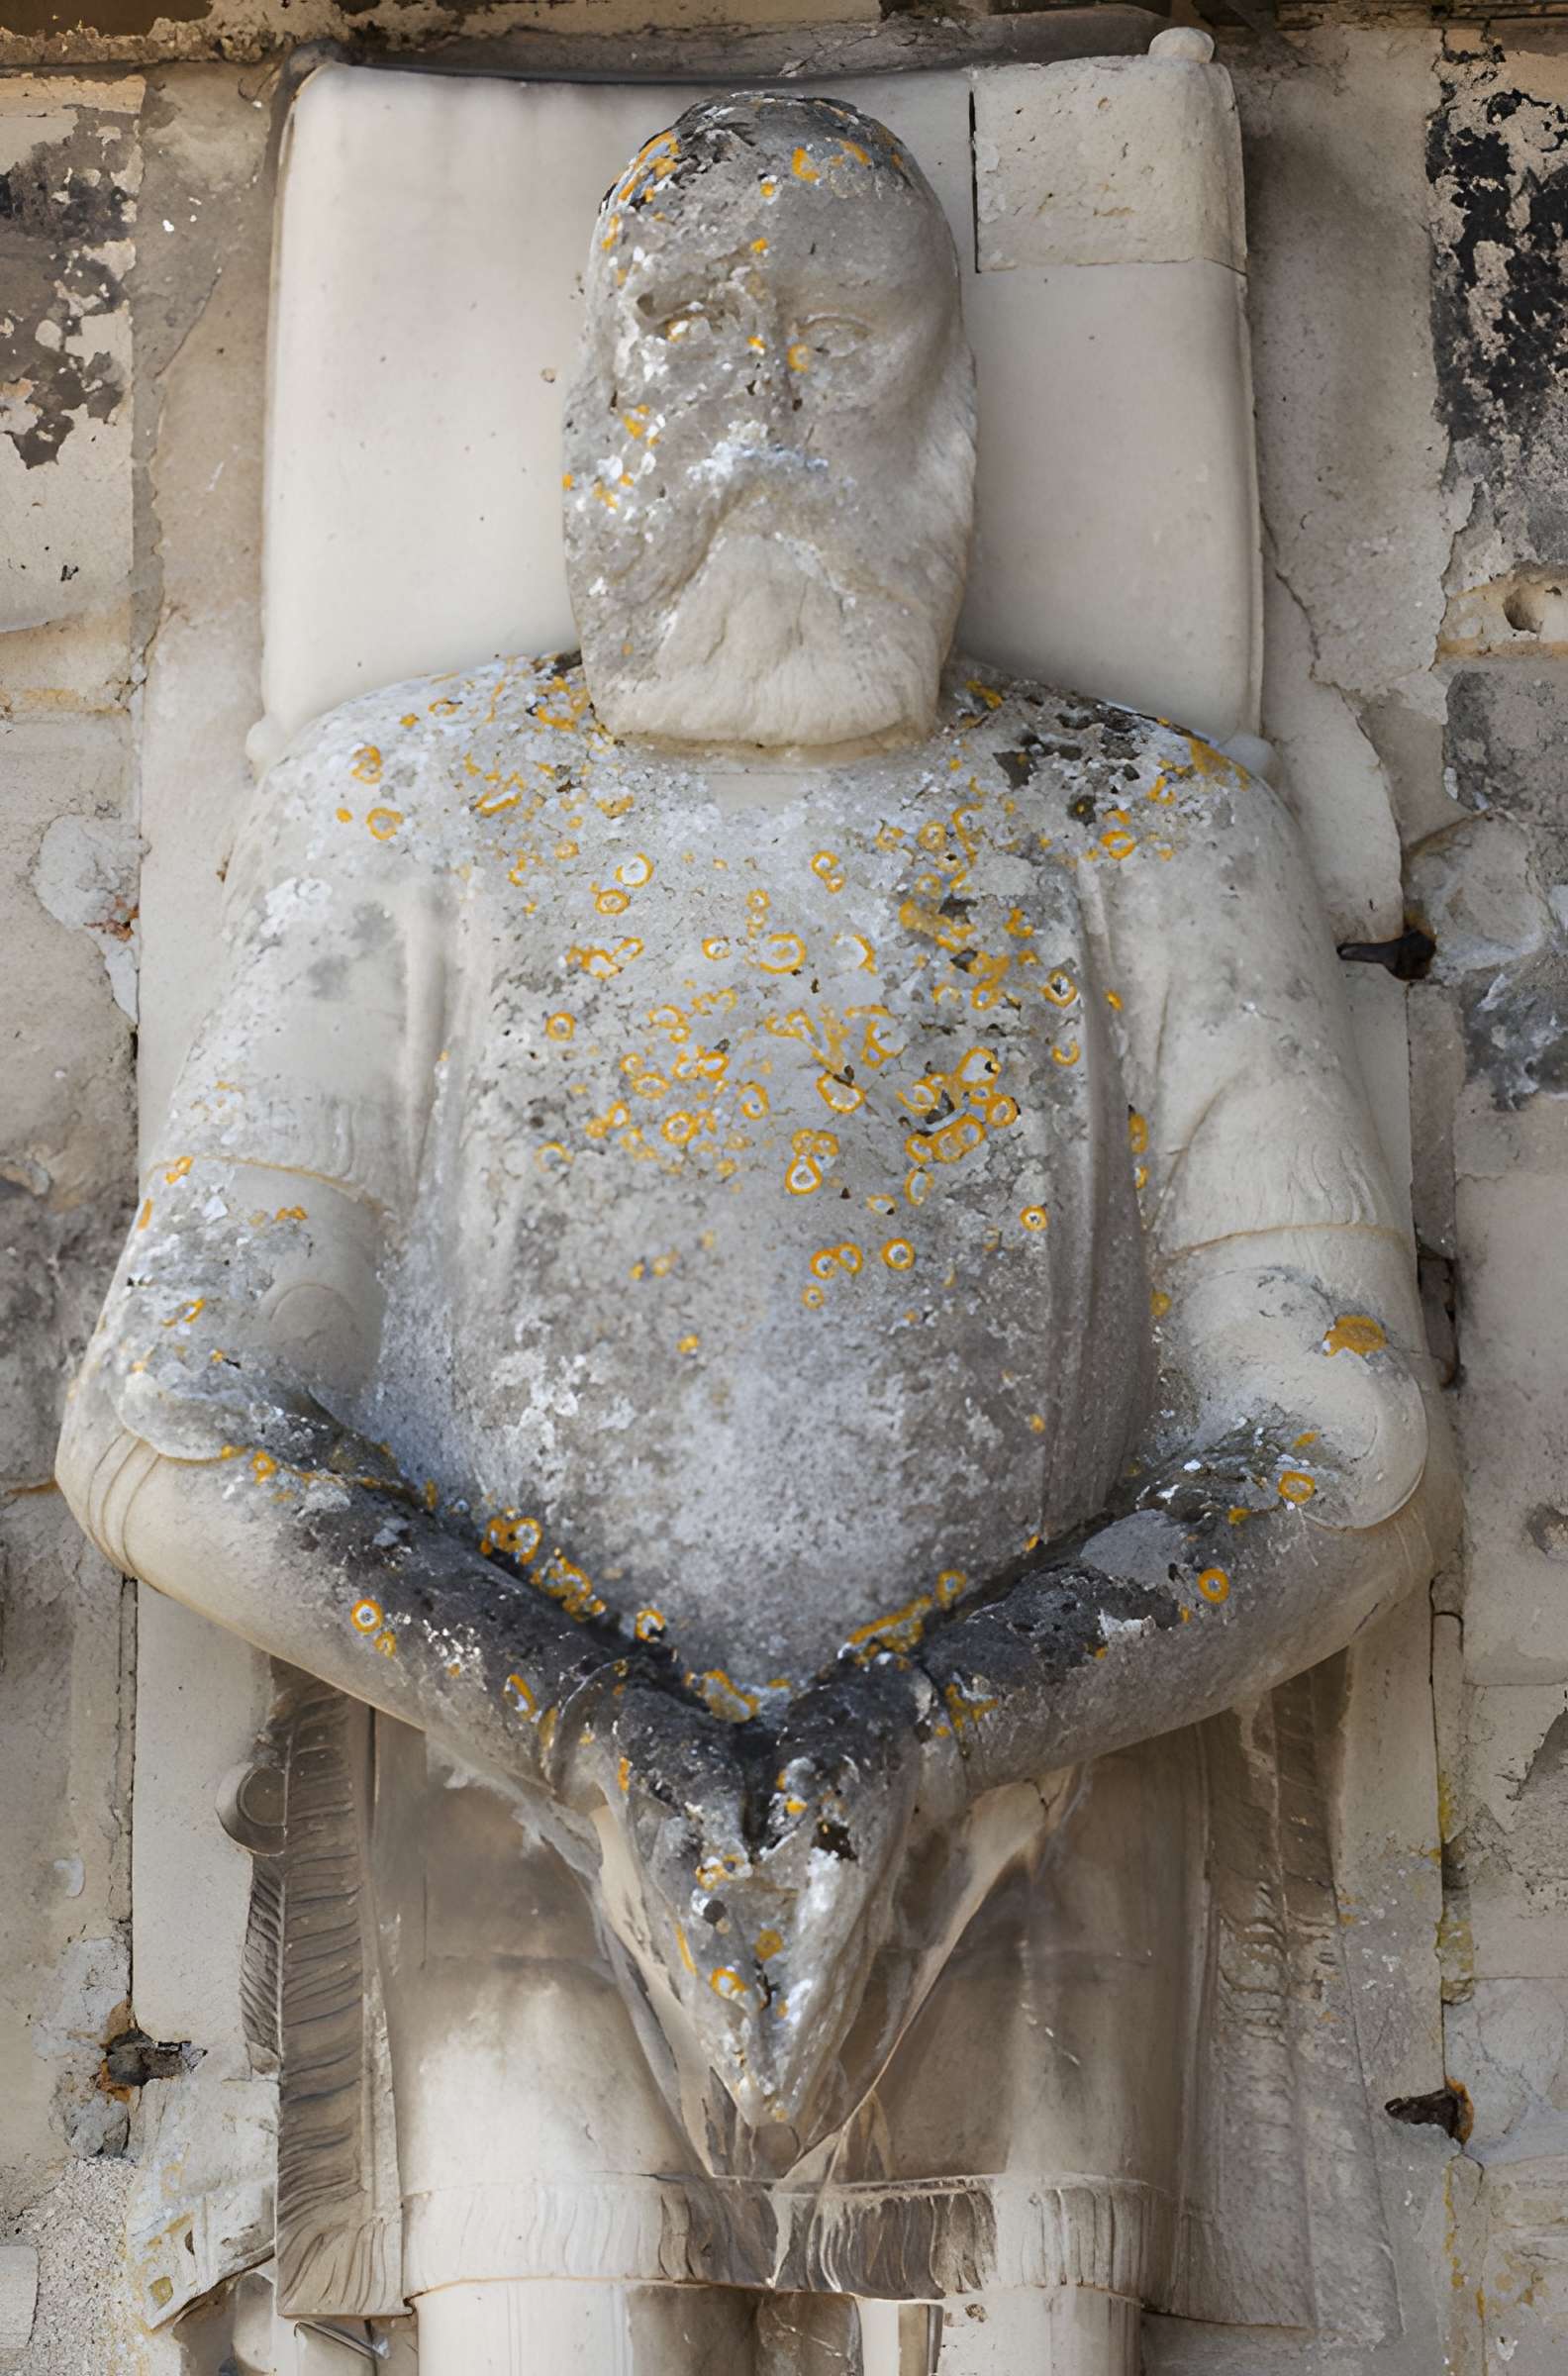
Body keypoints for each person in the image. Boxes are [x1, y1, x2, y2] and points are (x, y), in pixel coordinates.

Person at [59, 92, 1453, 2373]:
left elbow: (1346, 1441)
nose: (769, 399)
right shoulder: (419, 802)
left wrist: (937, 1724)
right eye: (698, 325)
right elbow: (172, 1407)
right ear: (597, 385)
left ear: (953, 397)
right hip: (512, 1831)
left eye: (843, 326)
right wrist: (588, 1734)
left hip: (1032, 1835)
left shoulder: (1138, 819)